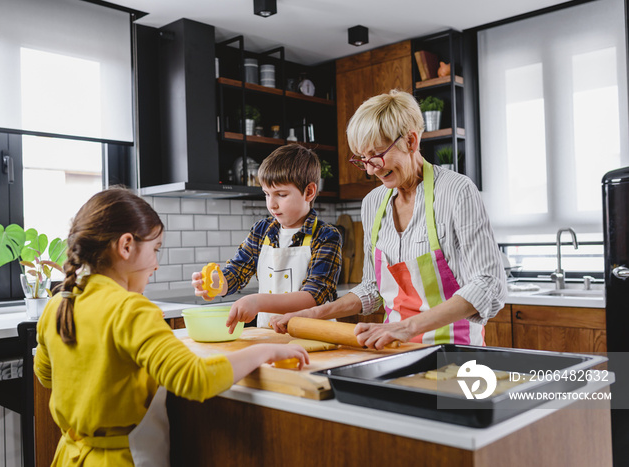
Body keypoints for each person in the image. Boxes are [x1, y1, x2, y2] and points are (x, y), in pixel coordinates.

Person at [34, 187, 309, 467]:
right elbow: (195, 379)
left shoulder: (58, 305)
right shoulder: (131, 310)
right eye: (154, 249)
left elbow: (46, 375)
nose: (155, 264)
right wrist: (264, 351)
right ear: (126, 246)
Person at [270, 90, 506, 349]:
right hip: (394, 348)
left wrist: (407, 327)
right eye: (362, 159)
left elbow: (488, 284)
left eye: (376, 154)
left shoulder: (457, 191)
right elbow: (372, 289)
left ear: (411, 141)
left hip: (456, 351)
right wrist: (317, 313)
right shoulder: (373, 203)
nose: (371, 169)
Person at [191, 144, 342, 332]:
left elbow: (314, 296)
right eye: (267, 194)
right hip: (270, 336)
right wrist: (213, 283)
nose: (272, 204)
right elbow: (237, 273)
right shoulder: (262, 230)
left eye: (281, 195)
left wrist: (258, 301)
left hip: (314, 336)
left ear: (309, 192)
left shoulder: (326, 236)